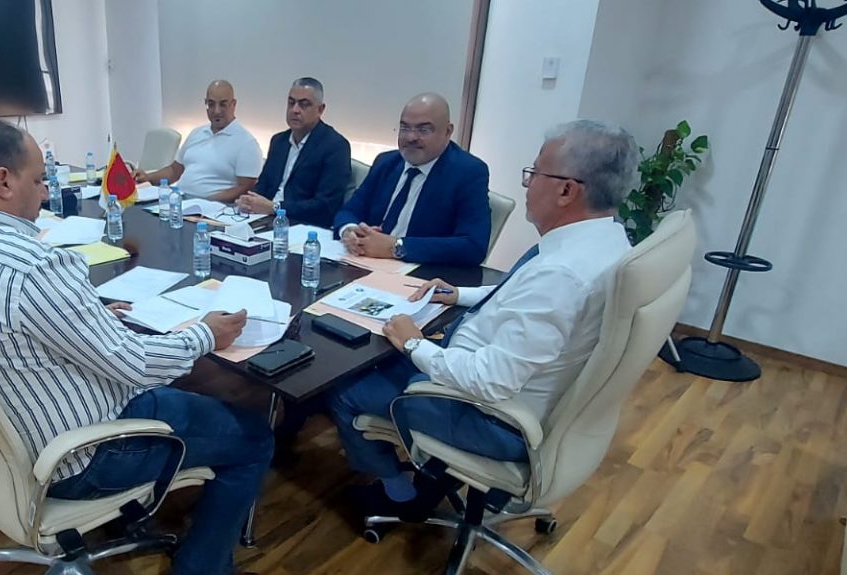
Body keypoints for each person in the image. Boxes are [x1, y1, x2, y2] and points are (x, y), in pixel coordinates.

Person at [0, 118, 274, 575]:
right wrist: (206, 334)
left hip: (8, 433)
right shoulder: (34, 269)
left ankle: (155, 512)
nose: (45, 191)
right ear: (3, 181)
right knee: (255, 436)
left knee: (201, 397)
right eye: (39, 179)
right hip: (83, 452)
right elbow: (137, 365)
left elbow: (6, 323)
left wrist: (86, 318)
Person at [326, 119, 639, 519]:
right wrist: (460, 294)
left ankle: (400, 496)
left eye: (534, 173)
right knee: (380, 360)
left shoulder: (560, 276)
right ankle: (433, 471)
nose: (527, 184)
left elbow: (490, 381)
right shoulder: (604, 240)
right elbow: (525, 298)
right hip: (517, 389)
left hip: (492, 418)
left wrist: (414, 343)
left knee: (345, 388)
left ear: (566, 190)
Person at [331, 93, 492, 266]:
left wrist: (396, 246)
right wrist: (349, 231)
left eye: (423, 130)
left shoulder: (468, 172)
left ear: (447, 131)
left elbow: (473, 246)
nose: (411, 137)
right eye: (405, 128)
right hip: (364, 262)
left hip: (420, 272)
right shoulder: (386, 162)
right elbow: (349, 211)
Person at [234, 77, 352, 228]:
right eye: (291, 103)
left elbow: (326, 206)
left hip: (302, 226)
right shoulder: (279, 141)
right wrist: (248, 201)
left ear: (320, 109)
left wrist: (275, 207)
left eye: (304, 104)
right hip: (264, 219)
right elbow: (263, 186)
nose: (295, 110)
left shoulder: (335, 146)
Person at [135, 80, 262, 202]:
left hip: (212, 209)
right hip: (179, 202)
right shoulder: (197, 133)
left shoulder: (246, 143)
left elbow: (245, 188)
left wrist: (207, 200)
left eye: (223, 104)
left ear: (233, 105)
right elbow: (174, 171)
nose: (216, 111)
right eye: (211, 104)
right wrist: (147, 177)